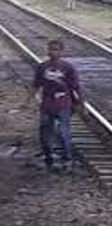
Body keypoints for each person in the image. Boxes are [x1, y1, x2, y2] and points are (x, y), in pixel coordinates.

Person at [29, 38, 84, 172]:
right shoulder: (42, 67)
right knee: (44, 132)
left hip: (63, 103)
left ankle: (67, 159)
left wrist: (81, 104)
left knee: (63, 131)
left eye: (55, 50)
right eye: (50, 49)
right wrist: (27, 101)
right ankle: (48, 156)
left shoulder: (68, 68)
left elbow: (76, 87)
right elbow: (36, 85)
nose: (52, 52)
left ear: (61, 51)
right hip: (47, 103)